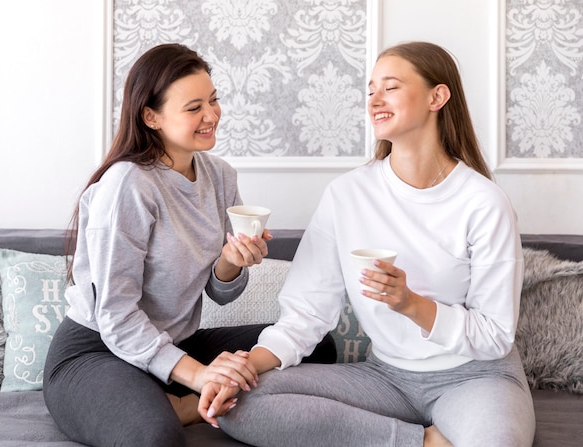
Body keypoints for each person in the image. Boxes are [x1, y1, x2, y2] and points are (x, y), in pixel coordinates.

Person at [200, 41, 536, 447]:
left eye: (390, 87)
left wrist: (413, 304)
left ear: (437, 96)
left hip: (475, 376)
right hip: (384, 378)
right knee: (241, 405)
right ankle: (424, 441)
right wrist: (239, 370)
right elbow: (306, 314)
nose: (374, 99)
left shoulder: (484, 202)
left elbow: (495, 335)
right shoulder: (348, 194)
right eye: (371, 89)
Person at [42, 43, 337, 447]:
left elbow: (218, 291)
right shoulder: (128, 184)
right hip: (99, 351)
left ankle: (189, 393)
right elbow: (116, 316)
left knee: (317, 344)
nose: (211, 115)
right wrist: (200, 375)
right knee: (154, 437)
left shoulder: (220, 177)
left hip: (173, 344)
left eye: (213, 101)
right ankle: (184, 404)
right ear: (151, 117)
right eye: (194, 107)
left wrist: (231, 261)